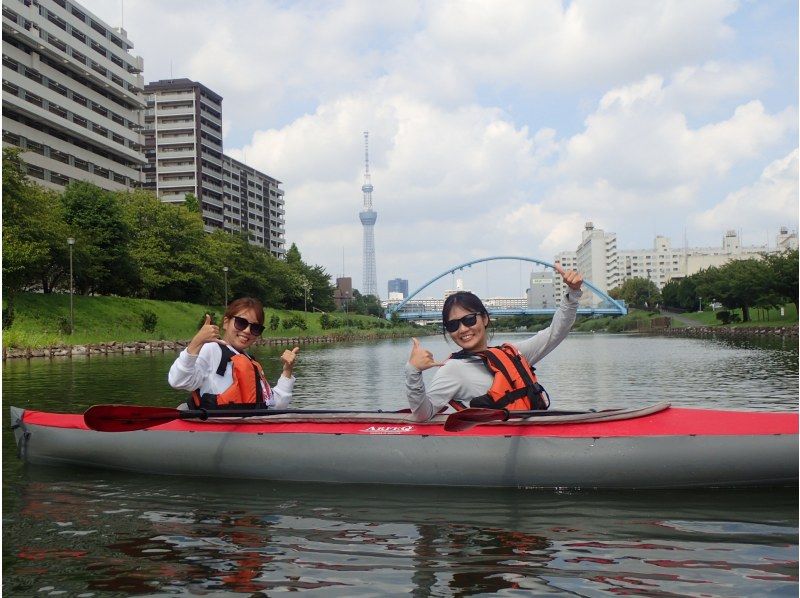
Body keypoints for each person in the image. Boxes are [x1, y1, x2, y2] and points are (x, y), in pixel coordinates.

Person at [406, 264, 583, 421]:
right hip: (493, 448)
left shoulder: (512, 354)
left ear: (484, 318)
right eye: (453, 325)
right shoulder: (452, 370)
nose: (462, 329)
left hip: (530, 439)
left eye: (468, 320)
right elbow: (423, 415)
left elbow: (555, 333)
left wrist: (573, 293)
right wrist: (413, 371)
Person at [168, 297, 299, 410]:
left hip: (247, 433)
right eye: (241, 323)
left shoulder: (250, 362)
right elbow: (178, 381)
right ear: (226, 323)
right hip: (217, 432)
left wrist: (287, 370)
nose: (247, 331)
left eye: (255, 328)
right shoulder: (212, 349)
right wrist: (196, 343)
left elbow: (275, 405)